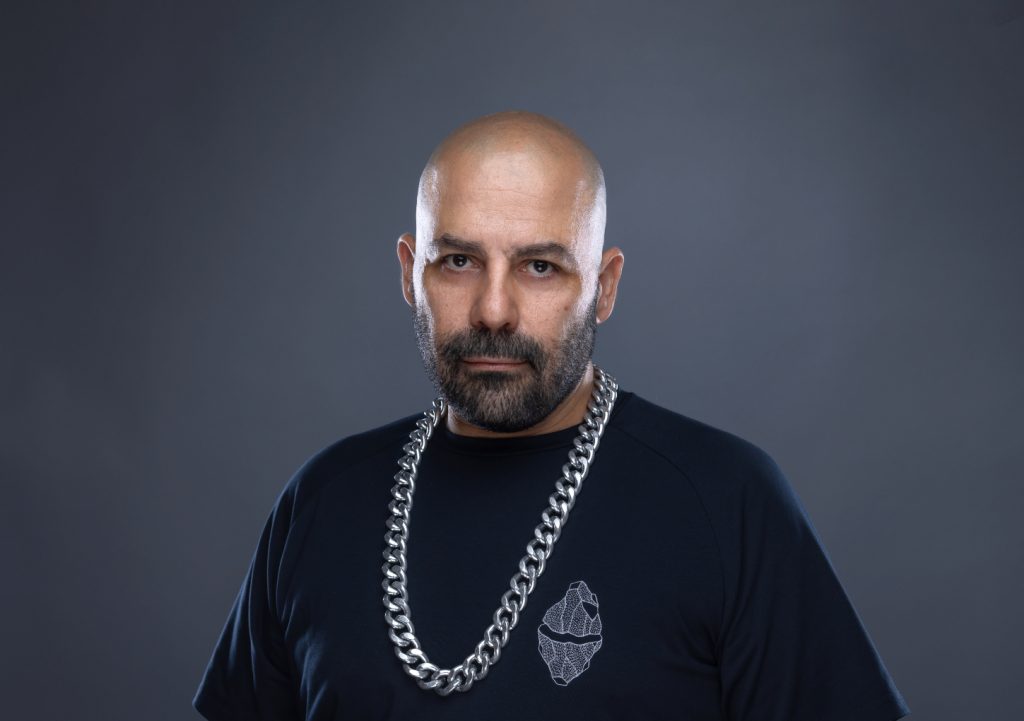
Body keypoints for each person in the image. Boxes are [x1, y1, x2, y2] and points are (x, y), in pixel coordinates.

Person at [193, 110, 911, 720]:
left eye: (540, 267)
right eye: (458, 261)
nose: (493, 311)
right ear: (410, 273)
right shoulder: (322, 501)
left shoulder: (726, 501)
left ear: (604, 286)